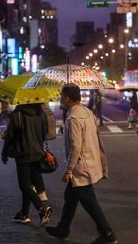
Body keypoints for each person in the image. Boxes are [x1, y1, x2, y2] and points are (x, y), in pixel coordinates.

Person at [46, 84, 118, 244]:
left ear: (67, 98)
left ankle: (108, 234)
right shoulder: (87, 112)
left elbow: (75, 146)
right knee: (70, 197)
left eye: (61, 96)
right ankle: (63, 228)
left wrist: (69, 169)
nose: (60, 99)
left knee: (89, 202)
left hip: (81, 167)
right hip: (90, 162)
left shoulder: (73, 118)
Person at [1, 103, 52, 225]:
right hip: (38, 153)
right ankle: (24, 214)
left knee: (24, 185)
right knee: (28, 185)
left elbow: (10, 136)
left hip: (23, 153)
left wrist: (4, 153)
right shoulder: (41, 113)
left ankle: (42, 208)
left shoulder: (17, 114)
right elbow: (45, 133)